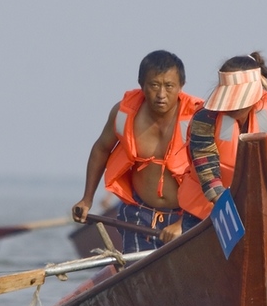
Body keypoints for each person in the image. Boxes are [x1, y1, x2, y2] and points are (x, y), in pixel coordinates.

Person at [72, 50, 204, 252]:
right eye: (154, 85)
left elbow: (212, 171)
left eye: (169, 86)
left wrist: (182, 223)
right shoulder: (124, 113)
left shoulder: (199, 119)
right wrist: (87, 199)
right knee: (142, 277)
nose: (161, 94)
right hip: (138, 215)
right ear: (141, 84)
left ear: (181, 86)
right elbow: (101, 149)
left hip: (185, 217)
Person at [177, 52, 267, 231]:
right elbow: (210, 177)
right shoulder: (205, 120)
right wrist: (235, 221)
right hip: (203, 213)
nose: (233, 105)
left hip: (253, 209)